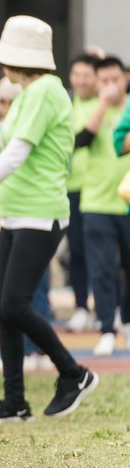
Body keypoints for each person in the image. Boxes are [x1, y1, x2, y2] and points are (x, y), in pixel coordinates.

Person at [0, 15, 99, 422]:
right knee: (5, 307)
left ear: (16, 60)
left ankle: (74, 374)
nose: (1, 65)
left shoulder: (45, 91)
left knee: (13, 305)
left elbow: (16, 156)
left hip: (40, 213)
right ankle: (15, 401)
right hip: (17, 213)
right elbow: (5, 151)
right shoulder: (31, 93)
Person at [81, 56, 130, 356]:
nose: (111, 85)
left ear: (126, 78)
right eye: (104, 80)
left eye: (115, 79)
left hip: (127, 202)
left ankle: (127, 320)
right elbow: (82, 140)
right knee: (102, 270)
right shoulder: (88, 107)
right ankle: (107, 329)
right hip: (96, 202)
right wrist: (102, 104)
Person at [66, 55, 98, 333]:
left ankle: (109, 307)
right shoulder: (67, 103)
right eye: (77, 74)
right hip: (72, 188)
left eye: (87, 75)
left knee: (103, 253)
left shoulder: (107, 104)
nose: (81, 80)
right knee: (76, 250)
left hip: (99, 189)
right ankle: (80, 307)